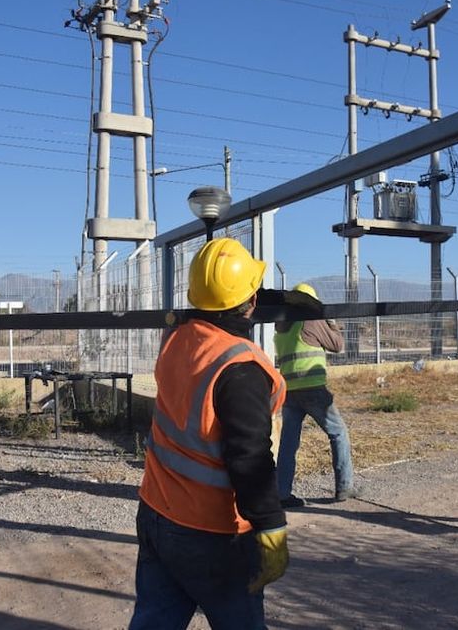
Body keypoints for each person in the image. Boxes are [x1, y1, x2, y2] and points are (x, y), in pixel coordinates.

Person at [129, 238, 289, 630]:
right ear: (251, 302)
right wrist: (270, 526)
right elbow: (250, 458)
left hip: (156, 513)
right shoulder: (242, 368)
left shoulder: (179, 339)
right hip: (212, 535)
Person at [274, 282, 355, 508]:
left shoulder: (281, 326)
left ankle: (282, 493)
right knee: (338, 432)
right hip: (313, 388)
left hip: (290, 391)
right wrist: (331, 321)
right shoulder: (310, 321)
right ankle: (344, 486)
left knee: (289, 443)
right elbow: (337, 345)